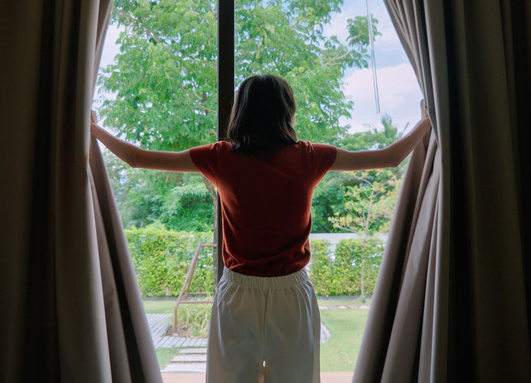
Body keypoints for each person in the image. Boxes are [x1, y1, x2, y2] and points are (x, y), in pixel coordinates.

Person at [90, 74, 431, 382]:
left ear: (241, 111)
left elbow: (136, 158)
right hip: (291, 295)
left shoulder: (221, 157)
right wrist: (427, 122)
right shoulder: (309, 156)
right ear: (287, 111)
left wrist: (94, 128)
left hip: (239, 293)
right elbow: (389, 157)